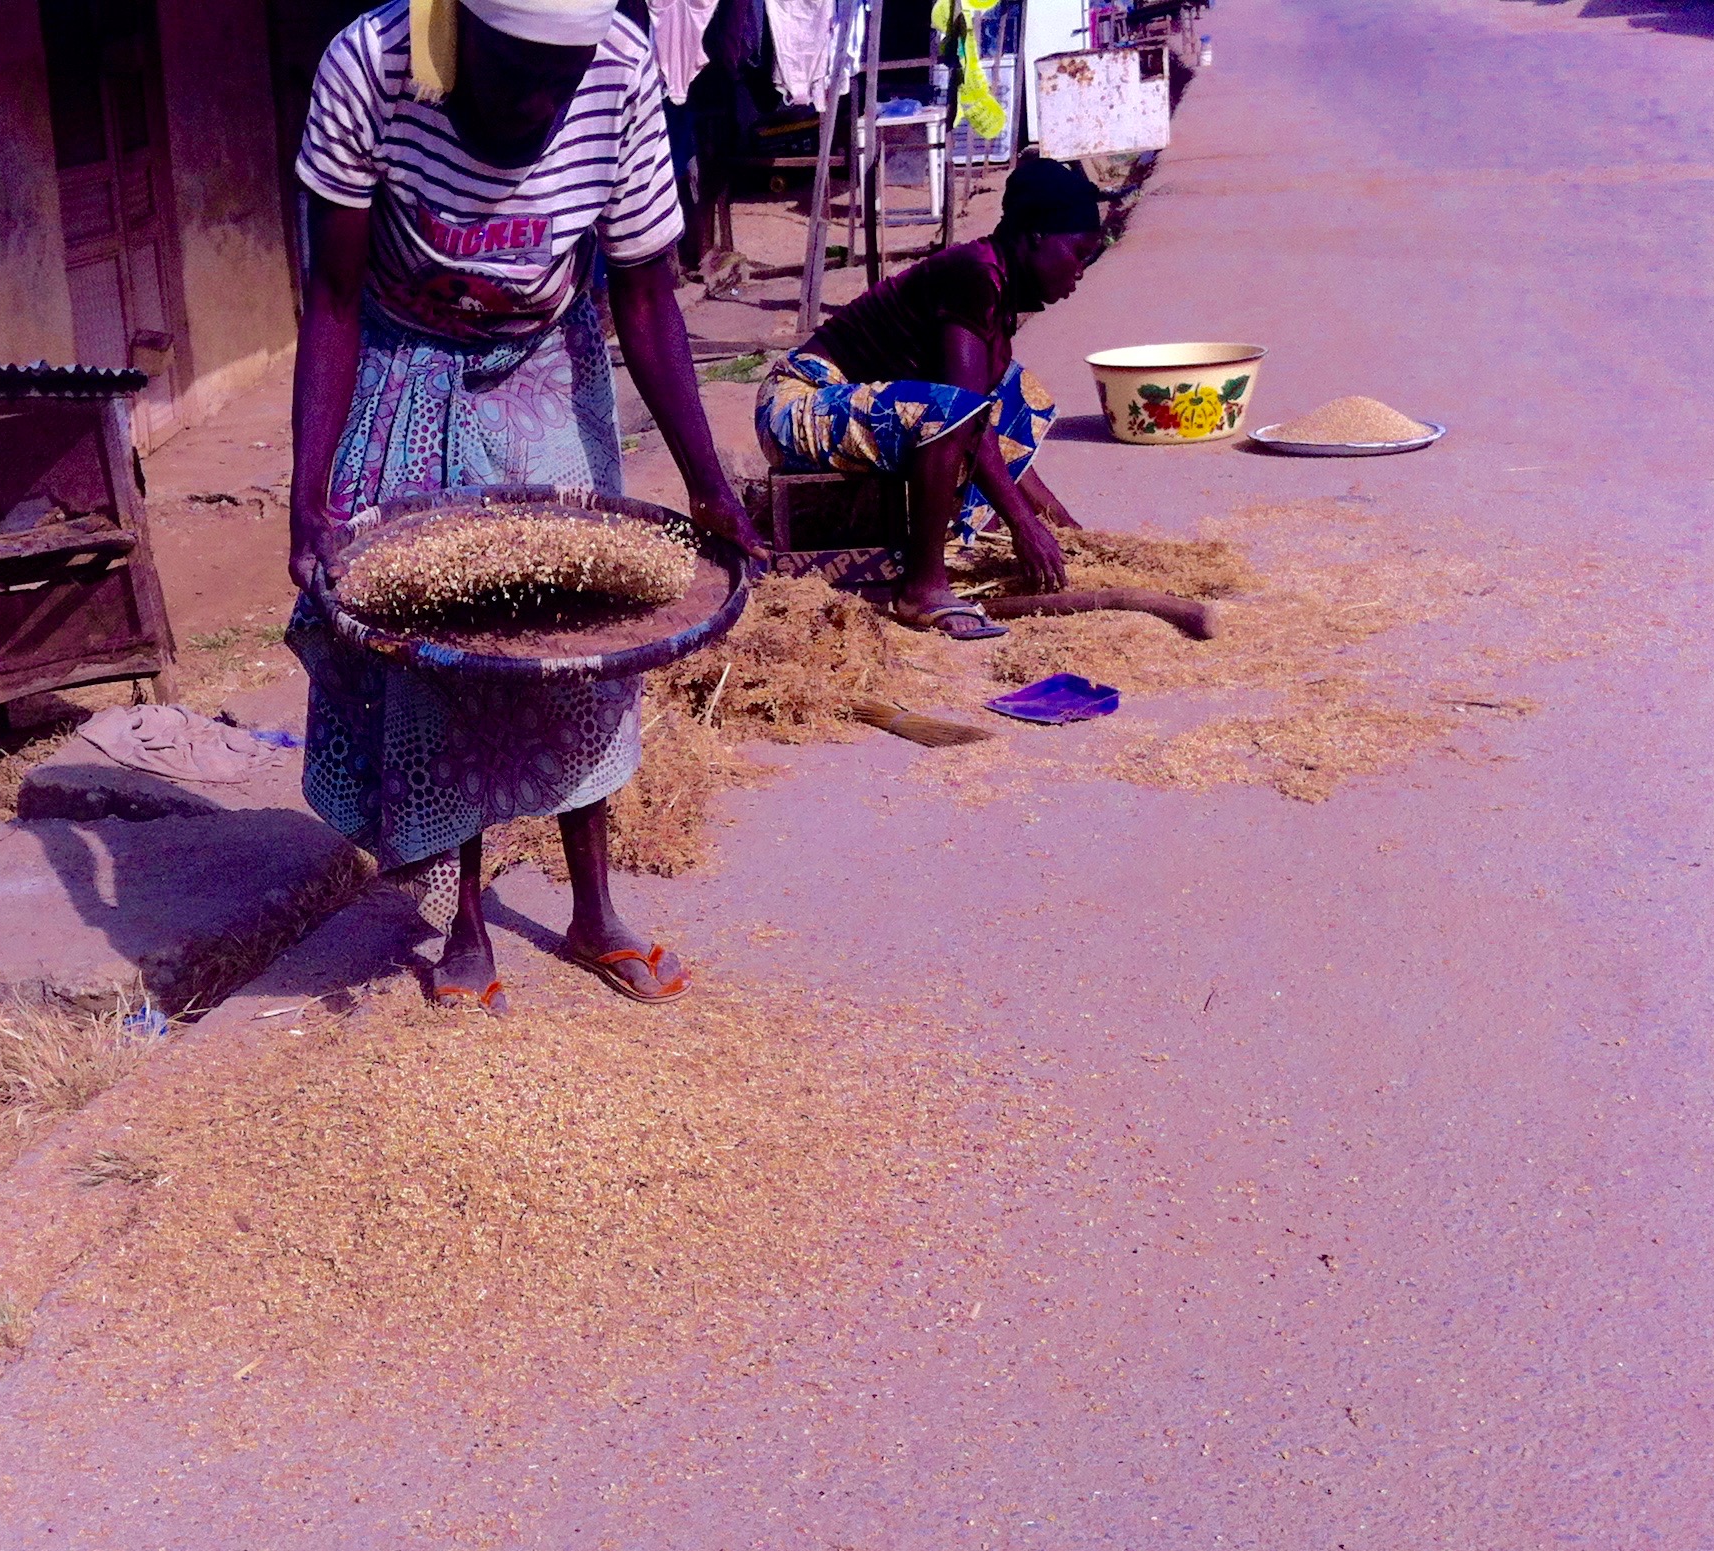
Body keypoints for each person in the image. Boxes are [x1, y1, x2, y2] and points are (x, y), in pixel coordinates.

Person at [287, 0, 764, 1011]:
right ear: (456, 30)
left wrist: (709, 483)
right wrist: (310, 494)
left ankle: (595, 910)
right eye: (516, 72)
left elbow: (644, 293)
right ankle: (466, 917)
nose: (545, 101)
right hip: (402, 355)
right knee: (442, 644)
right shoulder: (370, 68)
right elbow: (328, 297)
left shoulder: (625, 74)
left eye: (565, 73)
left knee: (579, 637)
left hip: (548, 361)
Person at [755, 155, 1111, 639]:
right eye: (1079, 254)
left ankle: (963, 531)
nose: (1081, 272)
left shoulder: (997, 287)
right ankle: (923, 587)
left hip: (853, 407)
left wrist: (1064, 530)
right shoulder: (975, 274)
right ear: (1037, 238)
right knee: (952, 411)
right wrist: (1025, 526)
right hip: (798, 404)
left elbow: (983, 424)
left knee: (1016, 393)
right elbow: (957, 414)